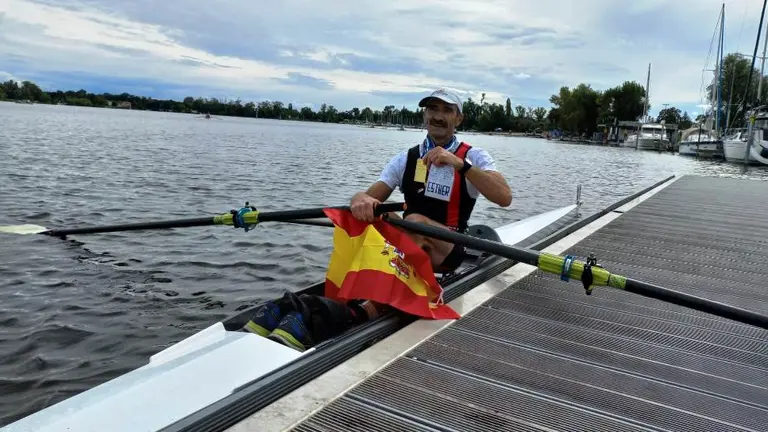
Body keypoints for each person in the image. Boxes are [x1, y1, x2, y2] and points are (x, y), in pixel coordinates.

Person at [350, 88, 512, 273]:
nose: (438, 116)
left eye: (447, 110)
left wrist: (460, 165)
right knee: (373, 214)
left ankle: (377, 298)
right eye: (433, 109)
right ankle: (361, 279)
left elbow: (504, 198)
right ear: (425, 115)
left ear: (458, 119)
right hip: (412, 238)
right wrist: (359, 198)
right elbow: (370, 198)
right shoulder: (406, 158)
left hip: (451, 246)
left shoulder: (474, 156)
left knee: (416, 222)